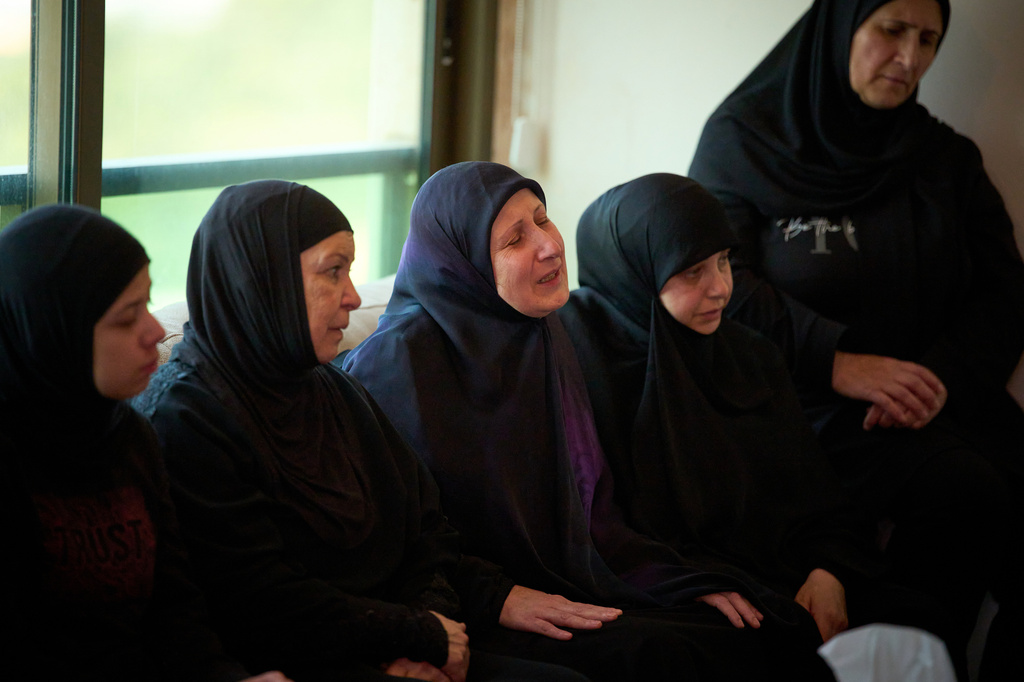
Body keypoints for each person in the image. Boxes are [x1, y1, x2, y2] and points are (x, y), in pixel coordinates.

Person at [345, 161, 838, 682]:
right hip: (472, 605)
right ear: (460, 264)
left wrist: (679, 579)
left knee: (771, 625)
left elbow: (592, 507)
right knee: (663, 656)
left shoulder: (540, 333)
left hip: (570, 576)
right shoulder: (397, 364)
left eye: (542, 218)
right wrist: (494, 595)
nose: (549, 245)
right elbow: (398, 542)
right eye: (515, 239)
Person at [133, 180, 592, 682]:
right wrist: (416, 634)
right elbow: (256, 598)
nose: (353, 298)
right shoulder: (187, 416)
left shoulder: (328, 388)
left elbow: (427, 529)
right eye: (333, 272)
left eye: (350, 272)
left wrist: (434, 624)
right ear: (262, 280)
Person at [688, 0, 1024, 678]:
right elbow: (718, 285)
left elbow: (1005, 293)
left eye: (929, 39)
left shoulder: (944, 159)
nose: (912, 57)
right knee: (964, 490)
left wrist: (929, 381)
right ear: (841, 28)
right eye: (891, 30)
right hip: (796, 407)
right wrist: (835, 361)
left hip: (931, 402)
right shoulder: (744, 141)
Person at [558, 172, 962, 673]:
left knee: (921, 621)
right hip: (674, 587)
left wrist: (827, 570)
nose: (720, 289)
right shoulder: (585, 365)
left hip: (780, 573)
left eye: (725, 261)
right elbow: (598, 525)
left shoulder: (750, 357)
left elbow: (819, 502)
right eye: (691, 272)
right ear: (636, 275)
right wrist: (695, 581)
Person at [0, 205, 289, 682]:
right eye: (127, 317)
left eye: (149, 304)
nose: (156, 332)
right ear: (53, 330)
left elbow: (177, 613)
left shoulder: (128, 434)